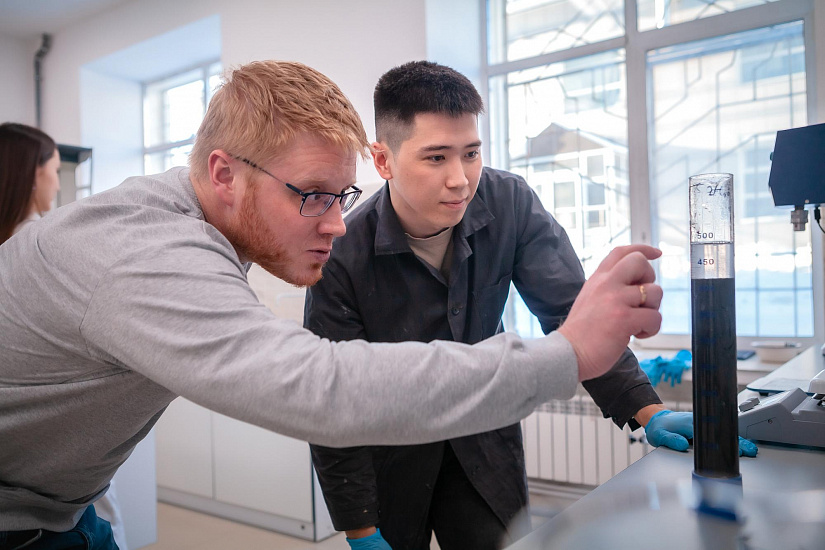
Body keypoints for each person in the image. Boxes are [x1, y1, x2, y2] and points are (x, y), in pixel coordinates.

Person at [0, 60, 664, 549]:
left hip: (67, 510)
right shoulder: (143, 252)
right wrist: (567, 354)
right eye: (312, 195)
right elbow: (322, 387)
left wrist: (640, 403)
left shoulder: (197, 231)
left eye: (341, 196)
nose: (337, 222)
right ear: (224, 174)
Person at [304, 61, 756, 550]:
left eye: (471, 154)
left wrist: (648, 411)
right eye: (436, 158)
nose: (460, 180)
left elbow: (573, 314)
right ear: (383, 160)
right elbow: (332, 395)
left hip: (484, 441)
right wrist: (360, 528)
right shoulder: (341, 252)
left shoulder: (509, 202)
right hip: (390, 453)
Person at [0, 123, 130, 550]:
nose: (57, 183)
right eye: (54, 170)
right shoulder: (42, 246)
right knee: (100, 518)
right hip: (60, 462)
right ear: (32, 174)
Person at [0, 123, 61, 245]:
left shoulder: (10, 235)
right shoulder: (40, 239)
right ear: (33, 173)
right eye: (56, 170)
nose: (58, 186)